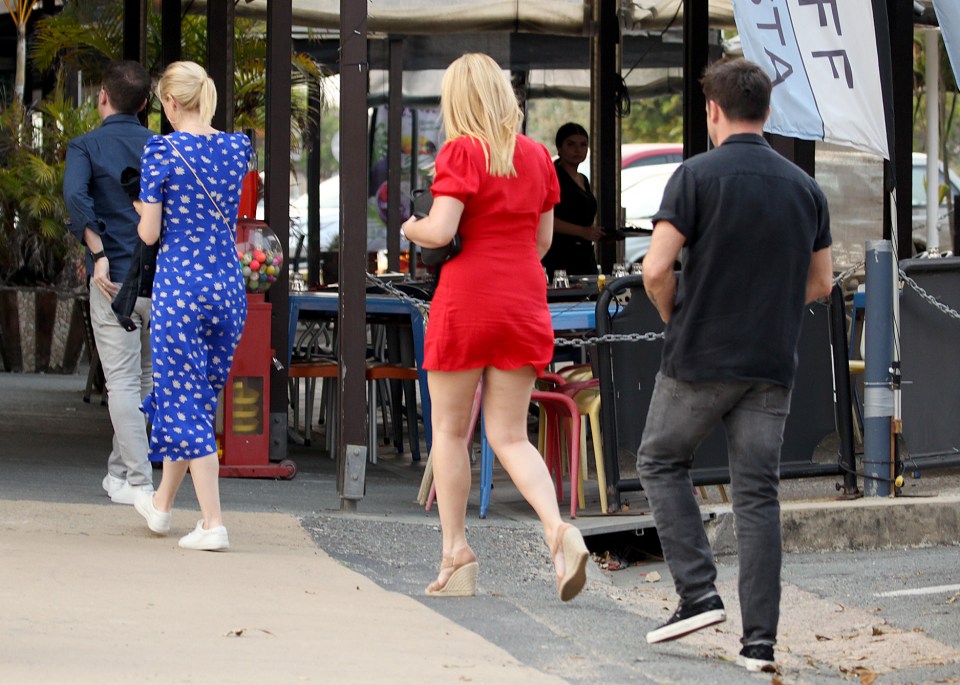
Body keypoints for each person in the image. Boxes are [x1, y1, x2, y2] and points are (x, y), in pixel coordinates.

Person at [636, 58, 833, 672]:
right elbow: (822, 282)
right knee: (758, 496)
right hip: (771, 360)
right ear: (768, 112)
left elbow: (653, 269)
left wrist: (679, 315)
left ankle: (697, 592)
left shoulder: (694, 177)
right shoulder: (805, 188)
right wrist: (767, 304)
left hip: (700, 354)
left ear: (712, 111)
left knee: (660, 459)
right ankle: (759, 645)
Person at [401, 53, 589, 601]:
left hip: (467, 301)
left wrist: (412, 227)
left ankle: (456, 553)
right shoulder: (536, 157)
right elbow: (544, 243)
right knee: (510, 435)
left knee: (451, 434)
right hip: (523, 300)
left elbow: (441, 229)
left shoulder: (462, 151)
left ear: (458, 100)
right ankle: (557, 532)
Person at [132, 61, 252, 551]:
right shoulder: (236, 147)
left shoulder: (160, 150)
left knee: (185, 401)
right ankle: (161, 507)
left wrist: (141, 210)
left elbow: (151, 234)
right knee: (195, 400)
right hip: (228, 290)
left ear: (171, 103)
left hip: (180, 289)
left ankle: (212, 522)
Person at [64, 60, 156, 506]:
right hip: (159, 281)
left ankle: (139, 481)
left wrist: (97, 253)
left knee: (120, 383)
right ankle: (120, 473)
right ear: (143, 105)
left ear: (102, 95)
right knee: (144, 381)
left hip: (113, 281)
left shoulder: (84, 146)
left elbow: (75, 196)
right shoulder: (162, 146)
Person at [541, 122, 602, 280]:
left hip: (585, 254)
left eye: (583, 145)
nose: (578, 150)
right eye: (571, 144)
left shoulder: (583, 179)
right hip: (560, 254)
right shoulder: (552, 176)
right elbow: (544, 219)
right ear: (559, 148)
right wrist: (582, 231)